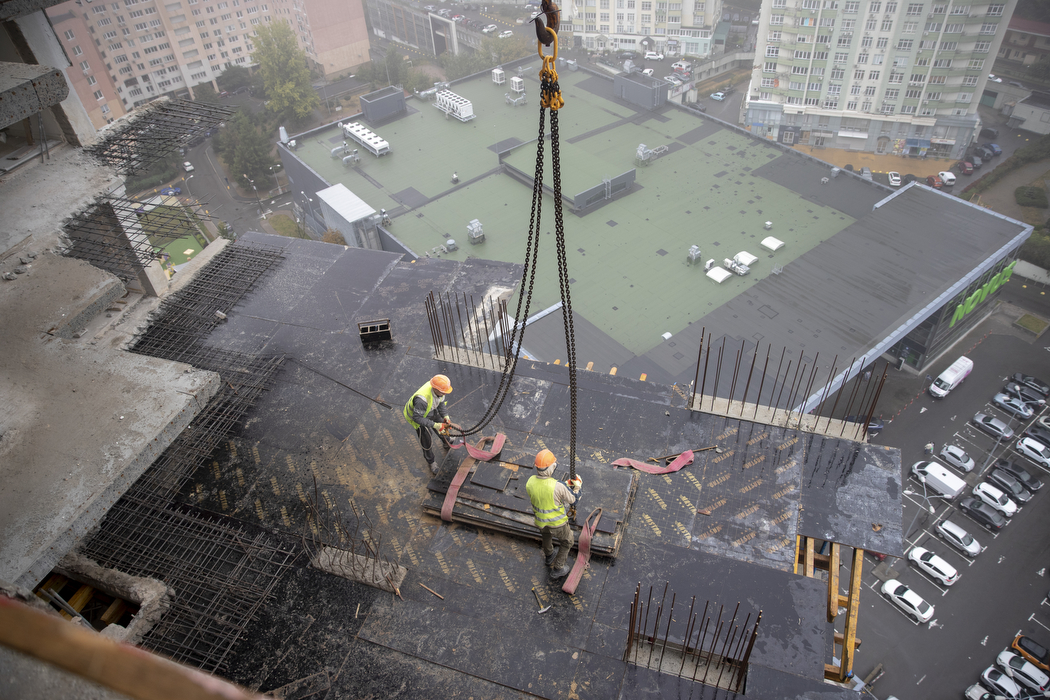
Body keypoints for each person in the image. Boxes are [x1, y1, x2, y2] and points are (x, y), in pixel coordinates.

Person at [526, 449, 581, 580]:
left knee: (546, 537)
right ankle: (558, 568)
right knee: (567, 542)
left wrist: (564, 486)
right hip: (558, 524)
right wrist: (578, 486)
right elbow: (574, 499)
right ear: (552, 467)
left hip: (540, 522)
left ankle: (549, 555)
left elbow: (544, 491)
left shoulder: (530, 482)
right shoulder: (558, 486)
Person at [404, 374, 460, 474]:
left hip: (429, 410)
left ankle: (446, 441)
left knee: (442, 425)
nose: (444, 393)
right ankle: (431, 462)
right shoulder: (422, 400)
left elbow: (441, 403)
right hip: (418, 418)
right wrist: (434, 425)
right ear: (435, 389)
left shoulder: (440, 390)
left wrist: (445, 416)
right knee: (426, 440)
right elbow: (417, 418)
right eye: (443, 392)